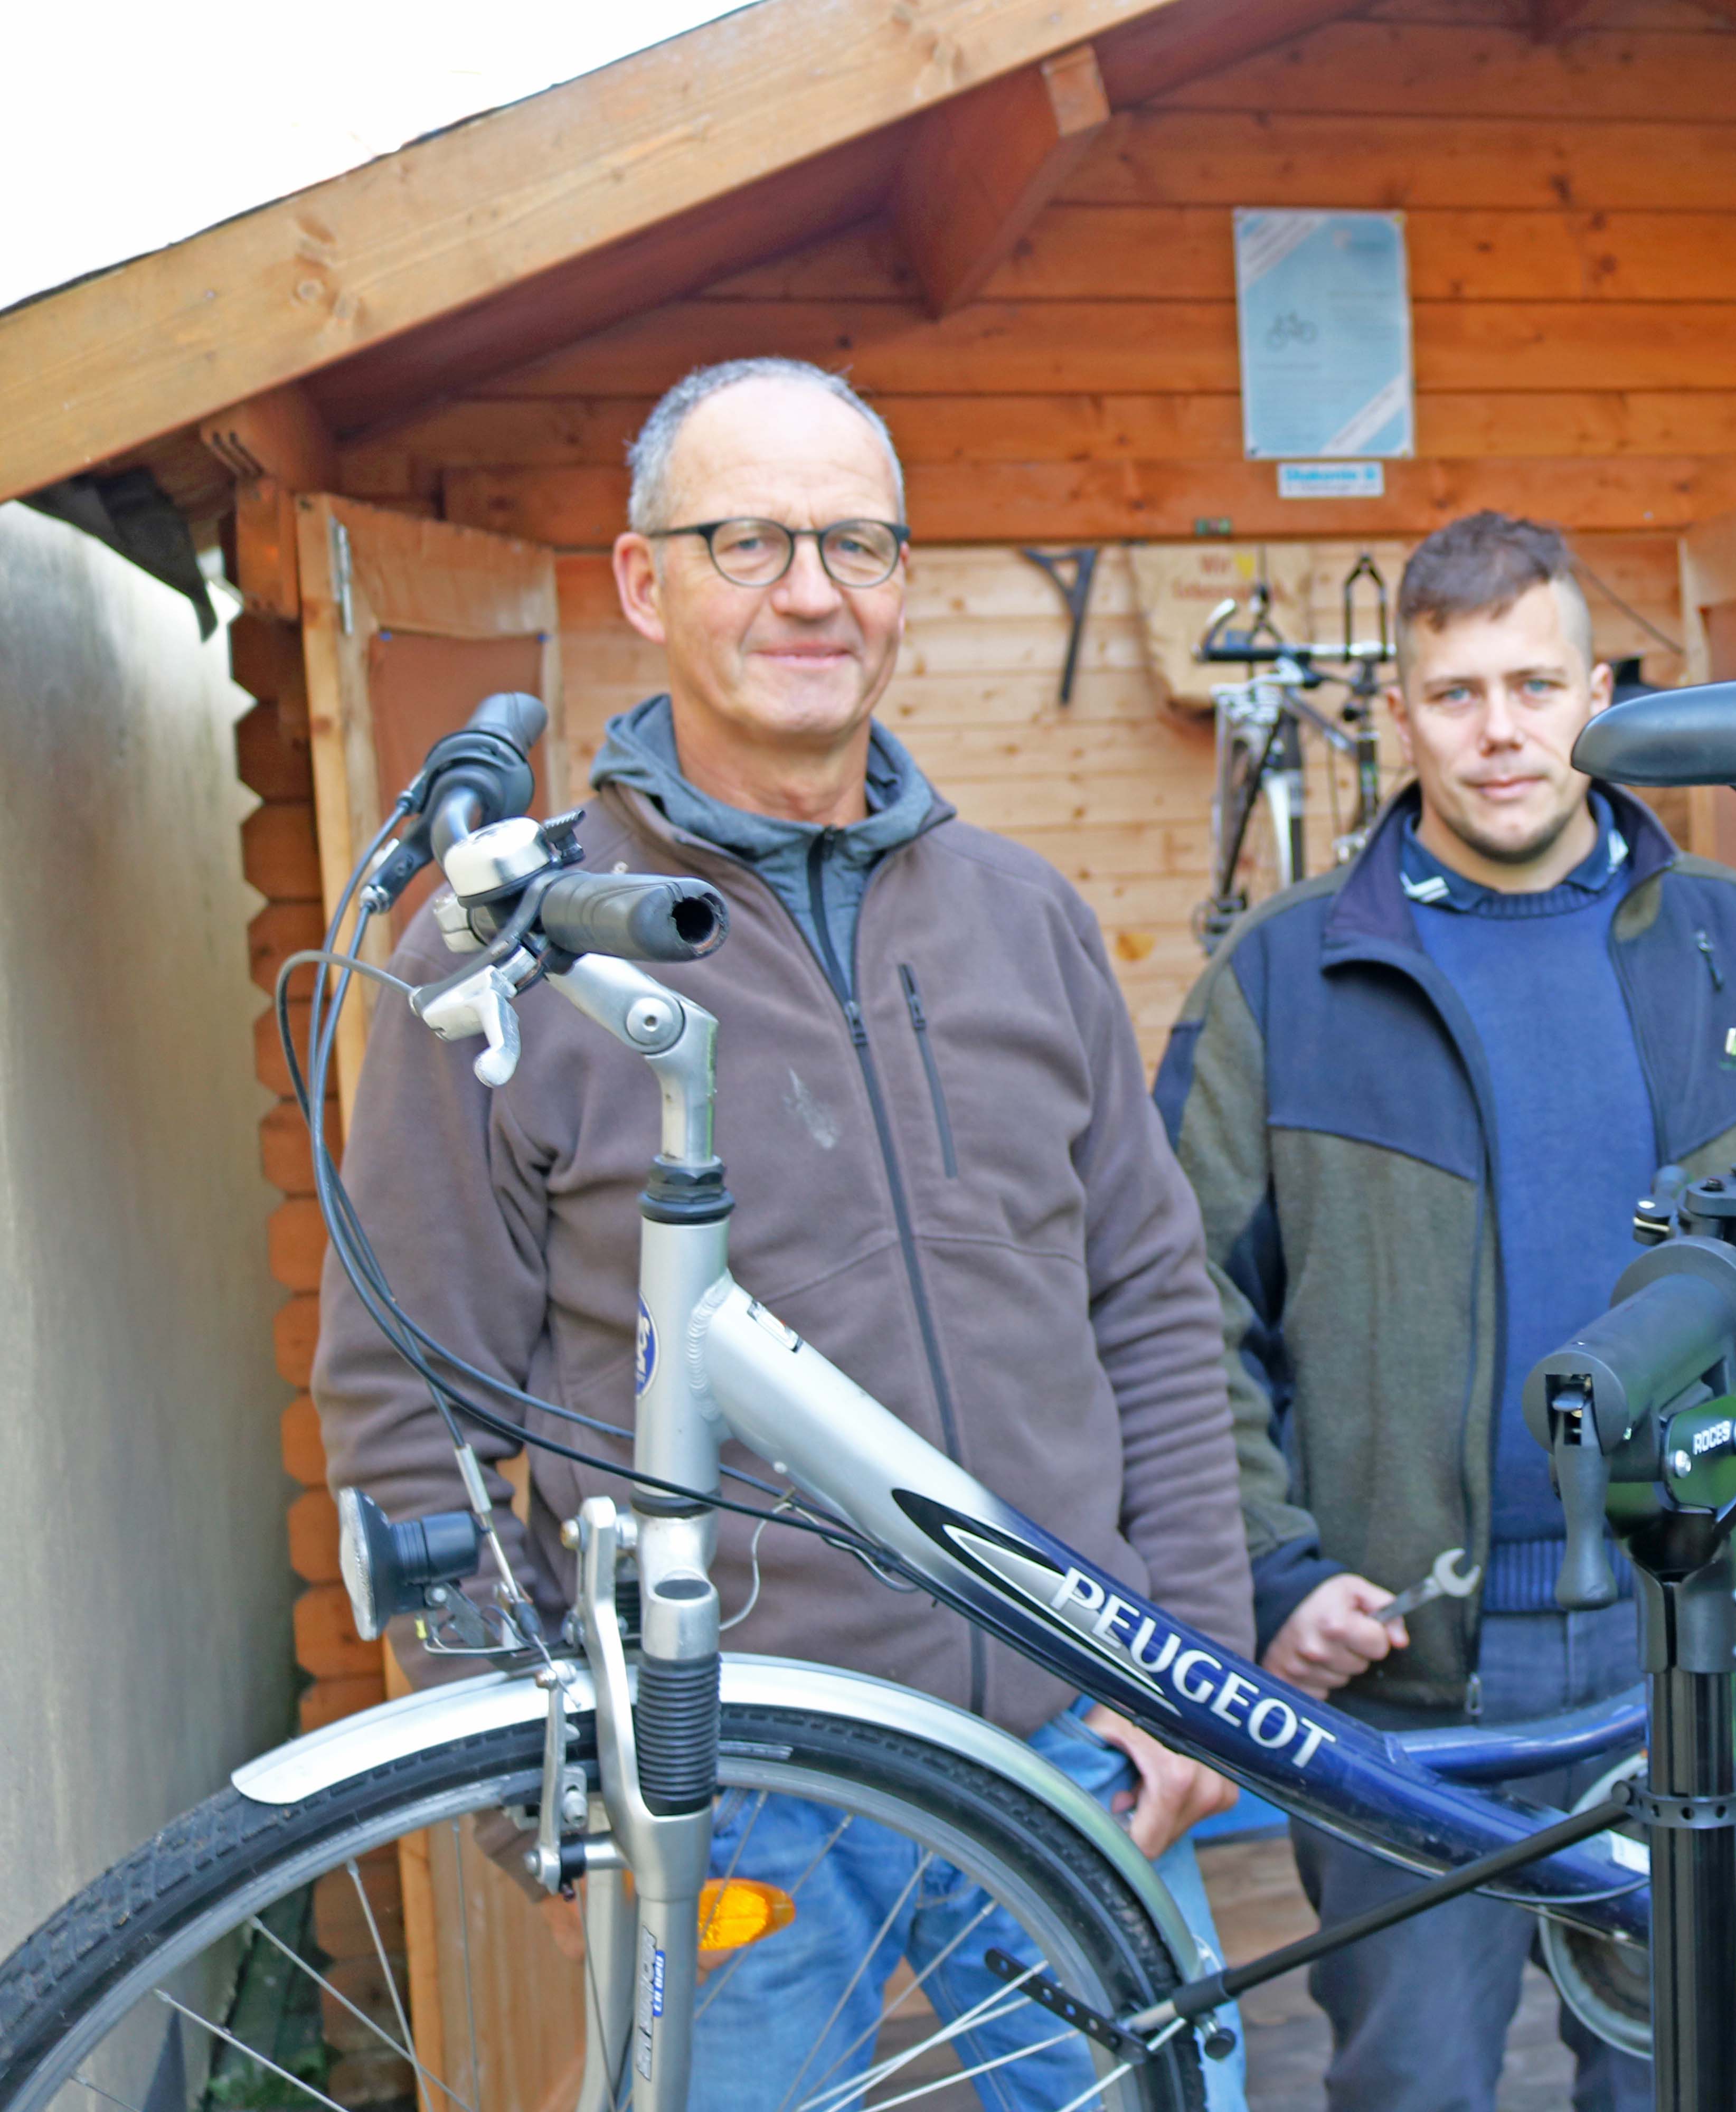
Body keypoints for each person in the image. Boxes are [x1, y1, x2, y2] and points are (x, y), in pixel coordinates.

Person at [314, 357, 1254, 2110]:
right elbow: (412, 1401)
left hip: (1070, 1737)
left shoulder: (1027, 920)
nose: (811, 590)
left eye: (857, 543)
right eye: (748, 540)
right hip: (733, 1768)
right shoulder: (519, 956)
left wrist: (1186, 1653)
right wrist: (554, 1761)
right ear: (643, 582)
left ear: (903, 587)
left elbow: (1152, 1306)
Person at [1156, 511, 1736, 2111]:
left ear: (1601, 691)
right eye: (1455, 693)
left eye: (1535, 684)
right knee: (1413, 2086)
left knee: (1684, 2085)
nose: (1500, 732)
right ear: (1401, 712)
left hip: (1692, 1659)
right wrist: (1274, 1569)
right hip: (1406, 1690)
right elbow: (1177, 1307)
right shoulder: (1284, 979)